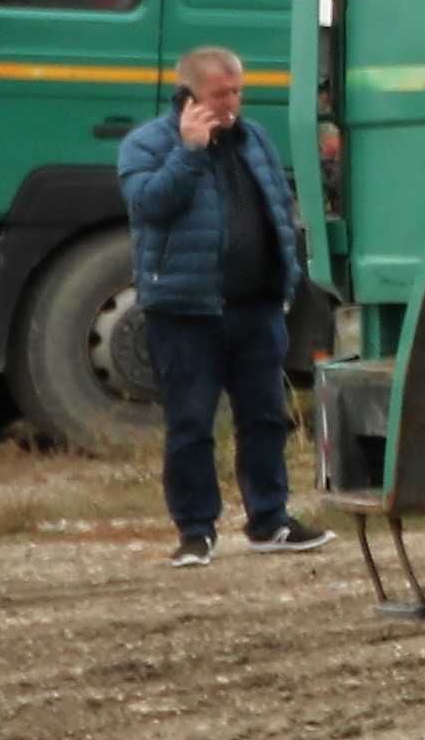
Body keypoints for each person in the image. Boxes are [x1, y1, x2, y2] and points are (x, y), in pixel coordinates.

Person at [115, 45, 330, 563]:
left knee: (264, 418)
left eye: (237, 91)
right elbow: (149, 205)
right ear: (188, 95)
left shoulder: (254, 139)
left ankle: (270, 520)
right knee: (190, 423)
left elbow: (279, 208)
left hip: (255, 309)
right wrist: (188, 151)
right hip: (186, 311)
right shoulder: (146, 144)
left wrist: (288, 278)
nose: (232, 102)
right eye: (220, 93)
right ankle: (195, 531)